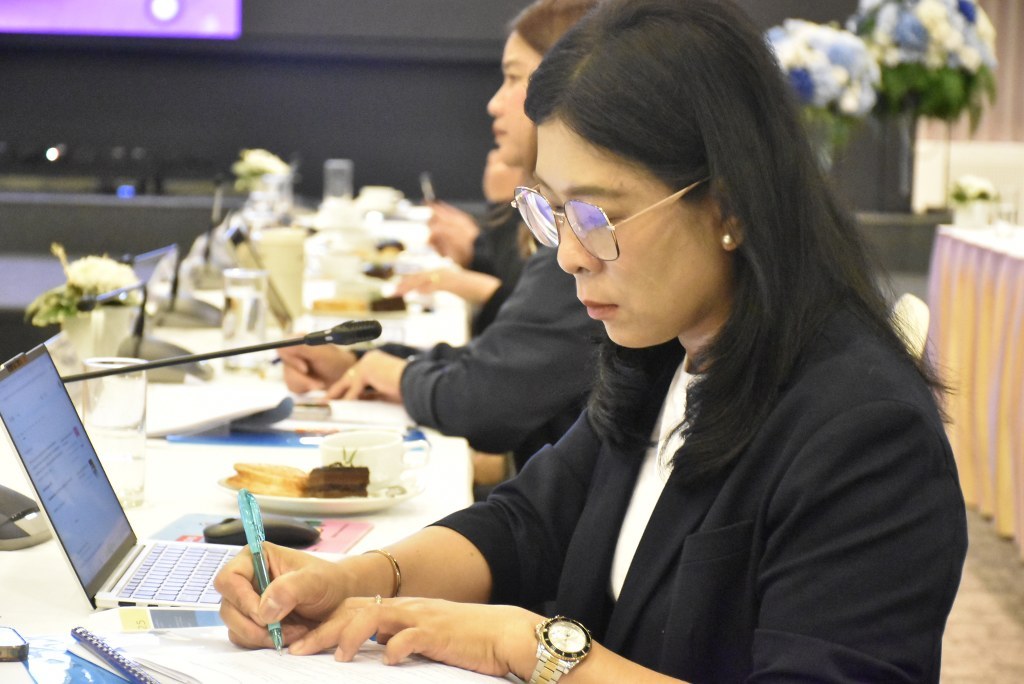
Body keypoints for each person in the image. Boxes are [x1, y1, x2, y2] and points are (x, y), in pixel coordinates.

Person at [216, 0, 967, 681]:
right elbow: (527, 522)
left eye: (597, 217)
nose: (570, 254)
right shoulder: (664, 349)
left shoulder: (865, 432)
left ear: (730, 206)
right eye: (551, 212)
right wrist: (353, 579)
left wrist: (530, 647)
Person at [278, 0, 601, 478]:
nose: (494, 103)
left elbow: (485, 398)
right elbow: (495, 361)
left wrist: (393, 372)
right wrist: (362, 362)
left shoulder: (584, 245)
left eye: (513, 78)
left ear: (568, 85)